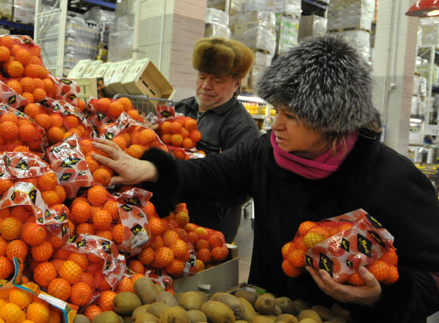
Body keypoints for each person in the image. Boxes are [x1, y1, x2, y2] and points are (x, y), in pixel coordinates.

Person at [92, 35, 439, 322]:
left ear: (328, 122)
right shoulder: (268, 152)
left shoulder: (393, 179)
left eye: (289, 116)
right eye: (277, 112)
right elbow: (213, 174)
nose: (276, 125)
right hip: (266, 309)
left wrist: (380, 296)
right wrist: (150, 169)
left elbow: (432, 277)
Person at [173, 37, 261, 242]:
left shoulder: (241, 128)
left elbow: (242, 187)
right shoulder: (180, 109)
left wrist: (197, 178)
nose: (206, 86)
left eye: (217, 80)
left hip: (208, 229)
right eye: (202, 77)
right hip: (173, 216)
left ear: (236, 83)